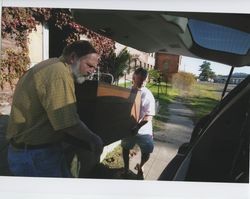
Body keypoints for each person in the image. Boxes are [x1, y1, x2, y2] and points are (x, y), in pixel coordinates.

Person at [6, 40, 103, 177]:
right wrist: (93, 139)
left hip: (29, 152)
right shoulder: (59, 73)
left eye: (94, 68)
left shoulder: (51, 64)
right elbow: (67, 123)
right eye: (89, 65)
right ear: (73, 57)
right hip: (35, 157)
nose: (91, 72)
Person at [121, 67, 155, 179]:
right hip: (128, 129)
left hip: (144, 130)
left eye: (144, 80)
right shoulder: (127, 91)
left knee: (147, 151)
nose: (142, 82)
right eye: (139, 80)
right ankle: (126, 168)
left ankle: (141, 166)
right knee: (125, 148)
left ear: (147, 80)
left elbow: (149, 115)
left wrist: (138, 126)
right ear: (133, 78)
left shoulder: (148, 95)